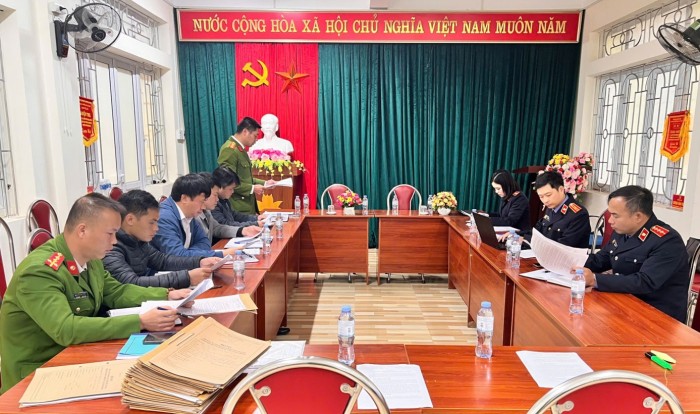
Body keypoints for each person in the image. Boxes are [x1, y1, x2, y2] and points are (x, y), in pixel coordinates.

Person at [0, 193, 192, 393]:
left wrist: (166, 295)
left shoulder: (91, 259)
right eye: (110, 234)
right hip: (35, 376)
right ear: (82, 230)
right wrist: (140, 322)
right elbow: (66, 329)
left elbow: (116, 292)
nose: (115, 241)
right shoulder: (39, 271)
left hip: (76, 357)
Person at [577, 186, 689, 322]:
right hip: (624, 303)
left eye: (615, 215)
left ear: (638, 216)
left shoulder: (667, 241)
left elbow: (644, 282)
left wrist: (594, 279)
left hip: (656, 317)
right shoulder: (622, 231)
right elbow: (601, 259)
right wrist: (572, 261)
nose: (610, 220)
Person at [103, 189, 219, 289]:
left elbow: (163, 261)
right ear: (130, 220)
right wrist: (187, 277)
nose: (156, 228)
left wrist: (199, 261)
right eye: (151, 222)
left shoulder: (138, 240)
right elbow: (132, 283)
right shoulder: (110, 247)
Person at [152, 174, 242, 258]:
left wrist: (187, 253)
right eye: (201, 202)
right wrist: (219, 254)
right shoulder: (164, 217)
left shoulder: (189, 213)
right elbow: (176, 256)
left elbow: (204, 242)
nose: (203, 207)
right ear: (184, 198)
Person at [218, 117, 275, 214]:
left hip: (247, 205)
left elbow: (245, 178)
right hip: (238, 207)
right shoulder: (230, 149)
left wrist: (265, 183)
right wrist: (252, 188)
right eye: (255, 136)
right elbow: (227, 181)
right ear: (245, 132)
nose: (256, 139)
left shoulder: (240, 149)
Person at [529, 171, 590, 248]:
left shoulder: (578, 215)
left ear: (561, 189)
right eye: (541, 197)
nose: (545, 200)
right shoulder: (552, 206)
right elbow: (538, 230)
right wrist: (522, 236)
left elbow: (565, 246)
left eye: (548, 195)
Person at [196, 172, 262, 244]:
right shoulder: (194, 216)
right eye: (215, 195)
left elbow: (216, 228)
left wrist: (242, 230)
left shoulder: (207, 211)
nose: (217, 199)